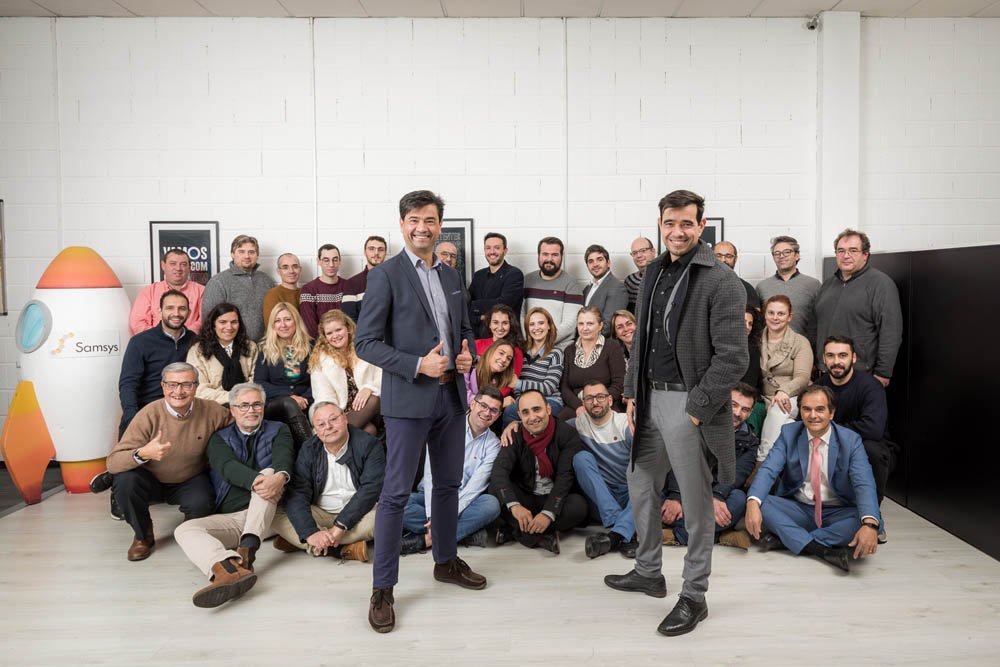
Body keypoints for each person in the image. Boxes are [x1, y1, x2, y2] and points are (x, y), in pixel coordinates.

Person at [606, 189, 747, 638]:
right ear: (661, 225)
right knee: (642, 484)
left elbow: (733, 359)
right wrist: (630, 392)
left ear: (701, 226)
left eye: (686, 223)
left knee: (695, 502)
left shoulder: (721, 280)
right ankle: (649, 571)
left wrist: (696, 410)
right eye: (670, 223)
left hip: (688, 402)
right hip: (647, 398)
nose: (677, 231)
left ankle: (694, 596)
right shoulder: (651, 272)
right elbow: (640, 342)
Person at [355, 189, 484, 634]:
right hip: (408, 401)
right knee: (393, 495)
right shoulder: (385, 276)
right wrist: (417, 365)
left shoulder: (450, 274)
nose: (422, 227)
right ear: (402, 224)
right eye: (414, 220)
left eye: (430, 220)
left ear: (439, 225)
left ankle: (445, 562)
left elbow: (463, 328)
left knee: (446, 485)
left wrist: (467, 354)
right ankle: (383, 589)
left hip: (451, 399)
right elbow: (365, 343)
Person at [173, 382, 293, 608]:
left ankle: (247, 553)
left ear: (263, 407)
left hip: (270, 516)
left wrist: (281, 476)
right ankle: (227, 569)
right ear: (232, 410)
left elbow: (283, 458)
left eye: (257, 404)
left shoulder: (279, 429)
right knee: (185, 529)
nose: (251, 410)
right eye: (244, 405)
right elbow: (226, 466)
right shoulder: (219, 438)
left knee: (270, 472)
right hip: (236, 519)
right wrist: (261, 481)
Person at [745, 385, 881, 572]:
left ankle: (789, 539)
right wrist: (752, 502)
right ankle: (820, 549)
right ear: (800, 411)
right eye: (806, 409)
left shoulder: (851, 440)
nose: (813, 415)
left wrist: (870, 524)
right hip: (799, 508)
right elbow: (768, 469)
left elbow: (864, 483)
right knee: (762, 504)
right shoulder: (789, 433)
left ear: (831, 413)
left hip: (837, 510)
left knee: (867, 521)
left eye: (820, 409)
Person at [107, 362, 232, 561]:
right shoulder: (149, 414)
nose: (179, 391)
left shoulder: (212, 411)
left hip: (190, 477)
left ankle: (190, 534)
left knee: (203, 504)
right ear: (163, 386)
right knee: (125, 482)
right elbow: (113, 462)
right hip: (151, 478)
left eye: (186, 385)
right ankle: (143, 535)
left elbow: (237, 426)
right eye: (172, 385)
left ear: (196, 387)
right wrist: (143, 453)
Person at [271, 401, 384, 562]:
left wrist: (340, 526)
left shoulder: (368, 444)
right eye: (321, 424)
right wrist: (310, 531)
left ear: (345, 419)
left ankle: (303, 542)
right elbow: (298, 492)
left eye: (333, 419)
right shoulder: (309, 449)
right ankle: (339, 548)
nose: (328, 427)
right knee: (275, 512)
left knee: (382, 518)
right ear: (315, 430)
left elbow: (370, 489)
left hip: (360, 515)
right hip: (322, 512)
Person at [401, 387, 504, 554]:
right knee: (401, 503)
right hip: (431, 495)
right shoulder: (445, 427)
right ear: (473, 403)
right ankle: (464, 534)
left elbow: (475, 487)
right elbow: (430, 473)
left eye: (493, 410)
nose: (487, 412)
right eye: (483, 405)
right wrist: (431, 514)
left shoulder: (493, 445)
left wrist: (447, 514)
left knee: (491, 504)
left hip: (464, 501)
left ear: (498, 415)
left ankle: (426, 540)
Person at [661, 383, 759, 551]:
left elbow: (738, 474)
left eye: (745, 409)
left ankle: (680, 534)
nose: (737, 413)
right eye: (733, 405)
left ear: (750, 412)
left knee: (738, 500)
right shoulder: (696, 424)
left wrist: (717, 496)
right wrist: (676, 496)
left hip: (717, 492)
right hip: (687, 488)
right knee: (653, 497)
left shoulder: (750, 441)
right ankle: (718, 534)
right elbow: (677, 460)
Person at [489, 390, 588, 554]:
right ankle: (540, 537)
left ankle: (516, 531)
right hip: (525, 496)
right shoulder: (514, 433)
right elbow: (499, 471)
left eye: (537, 409)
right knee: (494, 490)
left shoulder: (567, 434)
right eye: (526, 412)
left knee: (578, 507)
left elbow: (565, 478)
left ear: (548, 409)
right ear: (519, 416)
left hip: (553, 496)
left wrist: (548, 514)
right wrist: (514, 506)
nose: (532, 417)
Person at [815, 336, 896, 519]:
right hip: (828, 446)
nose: (836, 362)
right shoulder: (819, 387)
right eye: (831, 356)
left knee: (872, 450)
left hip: (866, 447)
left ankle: (873, 516)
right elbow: (804, 422)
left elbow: (873, 429)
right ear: (824, 359)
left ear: (853, 358)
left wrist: (829, 431)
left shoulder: (870, 386)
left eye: (842, 355)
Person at [815, 228, 903, 387]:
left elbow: (891, 332)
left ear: (865, 255)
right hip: (827, 372)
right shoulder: (828, 285)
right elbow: (815, 326)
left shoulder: (881, 284)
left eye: (853, 250)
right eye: (840, 251)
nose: (846, 255)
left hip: (861, 374)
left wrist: (883, 372)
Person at [572, 381, 637, 559]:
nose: (595, 402)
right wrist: (513, 424)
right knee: (581, 459)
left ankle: (614, 537)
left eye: (600, 397)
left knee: (649, 489)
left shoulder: (626, 424)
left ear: (610, 400)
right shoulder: (579, 424)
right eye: (589, 398)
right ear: (583, 404)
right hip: (604, 498)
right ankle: (623, 526)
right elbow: (549, 428)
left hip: (632, 493)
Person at [119, 290, 194, 435]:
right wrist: (134, 420)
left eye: (182, 308)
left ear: (189, 313)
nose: (176, 313)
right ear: (160, 311)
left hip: (181, 413)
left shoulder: (195, 341)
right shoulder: (140, 342)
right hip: (146, 411)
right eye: (170, 308)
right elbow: (128, 385)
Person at [757, 295, 814, 462]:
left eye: (781, 314)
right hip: (763, 395)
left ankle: (761, 462)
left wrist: (784, 391)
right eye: (771, 313)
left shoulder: (800, 342)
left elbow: (803, 378)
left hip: (793, 395)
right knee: (788, 425)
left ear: (790, 317)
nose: (775, 318)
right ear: (765, 315)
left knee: (778, 410)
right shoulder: (755, 339)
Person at [309, 309, 382, 435]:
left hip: (372, 408)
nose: (335, 335)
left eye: (338, 330)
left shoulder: (365, 347)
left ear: (347, 328)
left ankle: (334, 438)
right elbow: (323, 396)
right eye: (329, 333)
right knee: (369, 431)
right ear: (325, 337)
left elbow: (382, 373)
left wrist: (369, 388)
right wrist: (336, 416)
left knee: (373, 399)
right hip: (341, 413)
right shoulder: (320, 360)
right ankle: (340, 435)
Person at [254, 302, 313, 450]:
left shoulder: (311, 346)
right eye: (277, 320)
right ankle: (311, 451)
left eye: (287, 319)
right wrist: (290, 396)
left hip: (306, 402)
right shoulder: (265, 349)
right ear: (273, 325)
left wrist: (305, 398)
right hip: (276, 405)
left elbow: (319, 380)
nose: (283, 325)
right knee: (288, 403)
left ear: (296, 321)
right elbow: (260, 383)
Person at [202, 235, 276, 341]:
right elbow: (208, 321)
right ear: (232, 254)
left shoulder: (266, 281)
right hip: (233, 348)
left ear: (257, 255)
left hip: (264, 347)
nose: (247, 256)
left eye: (251, 252)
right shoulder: (218, 282)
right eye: (241, 252)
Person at [559, 306, 626, 420]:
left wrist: (597, 402)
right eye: (581, 324)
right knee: (561, 425)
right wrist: (579, 405)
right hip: (577, 405)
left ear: (600, 326)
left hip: (605, 404)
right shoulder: (569, 350)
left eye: (590, 323)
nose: (585, 328)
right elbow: (564, 387)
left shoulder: (612, 347)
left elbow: (619, 383)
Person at [187, 303, 259, 405]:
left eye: (234, 322)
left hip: (247, 405)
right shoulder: (198, 351)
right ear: (213, 324)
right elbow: (198, 389)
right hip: (213, 406)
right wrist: (233, 397)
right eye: (222, 322)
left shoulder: (250, 347)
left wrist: (244, 398)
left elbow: (256, 380)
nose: (229, 327)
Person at [503, 306, 564, 425]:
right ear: (527, 328)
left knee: (510, 412)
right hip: (525, 401)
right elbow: (513, 384)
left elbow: (548, 387)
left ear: (549, 327)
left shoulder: (556, 353)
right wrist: (519, 397)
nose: (536, 328)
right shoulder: (520, 352)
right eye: (532, 324)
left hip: (550, 401)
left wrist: (519, 384)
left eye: (541, 323)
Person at [522, 236, 584, 349]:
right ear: (538, 255)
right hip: (529, 347)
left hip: (560, 349)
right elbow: (521, 316)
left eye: (555, 255)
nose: (549, 259)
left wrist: (542, 341)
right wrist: (531, 341)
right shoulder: (527, 281)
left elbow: (570, 324)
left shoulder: (571, 284)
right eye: (545, 254)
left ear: (562, 257)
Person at [756, 235, 821, 342]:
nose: (781, 256)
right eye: (777, 253)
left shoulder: (813, 285)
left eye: (787, 252)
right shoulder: (762, 287)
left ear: (797, 255)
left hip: (804, 349)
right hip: (771, 350)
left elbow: (820, 321)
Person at [129, 248, 205, 334]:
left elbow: (205, 320)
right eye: (173, 264)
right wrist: (160, 338)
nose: (178, 268)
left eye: (183, 264)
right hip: (155, 344)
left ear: (189, 267)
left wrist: (184, 337)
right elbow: (137, 322)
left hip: (191, 343)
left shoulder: (201, 291)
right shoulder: (149, 291)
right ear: (163, 266)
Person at [468, 232, 524, 335]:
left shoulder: (514, 274)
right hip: (479, 338)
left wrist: (475, 305)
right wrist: (481, 317)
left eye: (497, 248)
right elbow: (466, 305)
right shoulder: (478, 275)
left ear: (505, 251)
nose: (492, 252)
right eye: (488, 248)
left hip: (505, 339)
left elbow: (504, 304)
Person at [299, 244, 346, 337]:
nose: (331, 264)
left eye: (335, 260)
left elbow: (352, 321)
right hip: (320, 346)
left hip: (345, 344)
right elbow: (310, 327)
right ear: (318, 261)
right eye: (326, 260)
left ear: (340, 261)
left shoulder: (348, 287)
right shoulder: (308, 290)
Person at [582, 244, 629, 336]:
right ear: (587, 266)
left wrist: (585, 339)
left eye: (599, 260)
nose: (595, 264)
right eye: (591, 261)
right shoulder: (588, 288)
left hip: (602, 346)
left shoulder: (617, 288)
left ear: (608, 263)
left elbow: (608, 327)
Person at [342, 235, 388, 322]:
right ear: (364, 252)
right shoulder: (352, 283)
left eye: (381, 249)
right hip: (364, 335)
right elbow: (349, 318)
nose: (376, 253)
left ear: (385, 253)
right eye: (371, 249)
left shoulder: (395, 279)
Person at [465, 338, 517, 411]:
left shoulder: (496, 380)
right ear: (491, 351)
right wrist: (499, 404)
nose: (504, 359)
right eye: (501, 353)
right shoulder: (470, 364)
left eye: (508, 358)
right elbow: (464, 396)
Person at [474, 304, 524, 376]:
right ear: (489, 324)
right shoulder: (476, 344)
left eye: (505, 323)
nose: (500, 327)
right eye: (495, 322)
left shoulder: (516, 352)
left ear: (510, 325)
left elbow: (512, 383)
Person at [713, 241, 760, 310]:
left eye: (728, 256)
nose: (723, 260)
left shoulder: (746, 288)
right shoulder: (700, 285)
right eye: (718, 256)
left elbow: (756, 317)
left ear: (735, 259)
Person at [262, 253, 302, 325]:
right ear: (278, 271)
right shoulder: (272, 295)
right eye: (285, 267)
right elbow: (271, 326)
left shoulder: (307, 292)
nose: (291, 271)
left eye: (295, 266)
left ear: (300, 269)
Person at [624, 237, 656, 313]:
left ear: (653, 252)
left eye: (643, 251)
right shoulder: (630, 281)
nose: (639, 255)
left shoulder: (664, 276)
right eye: (634, 253)